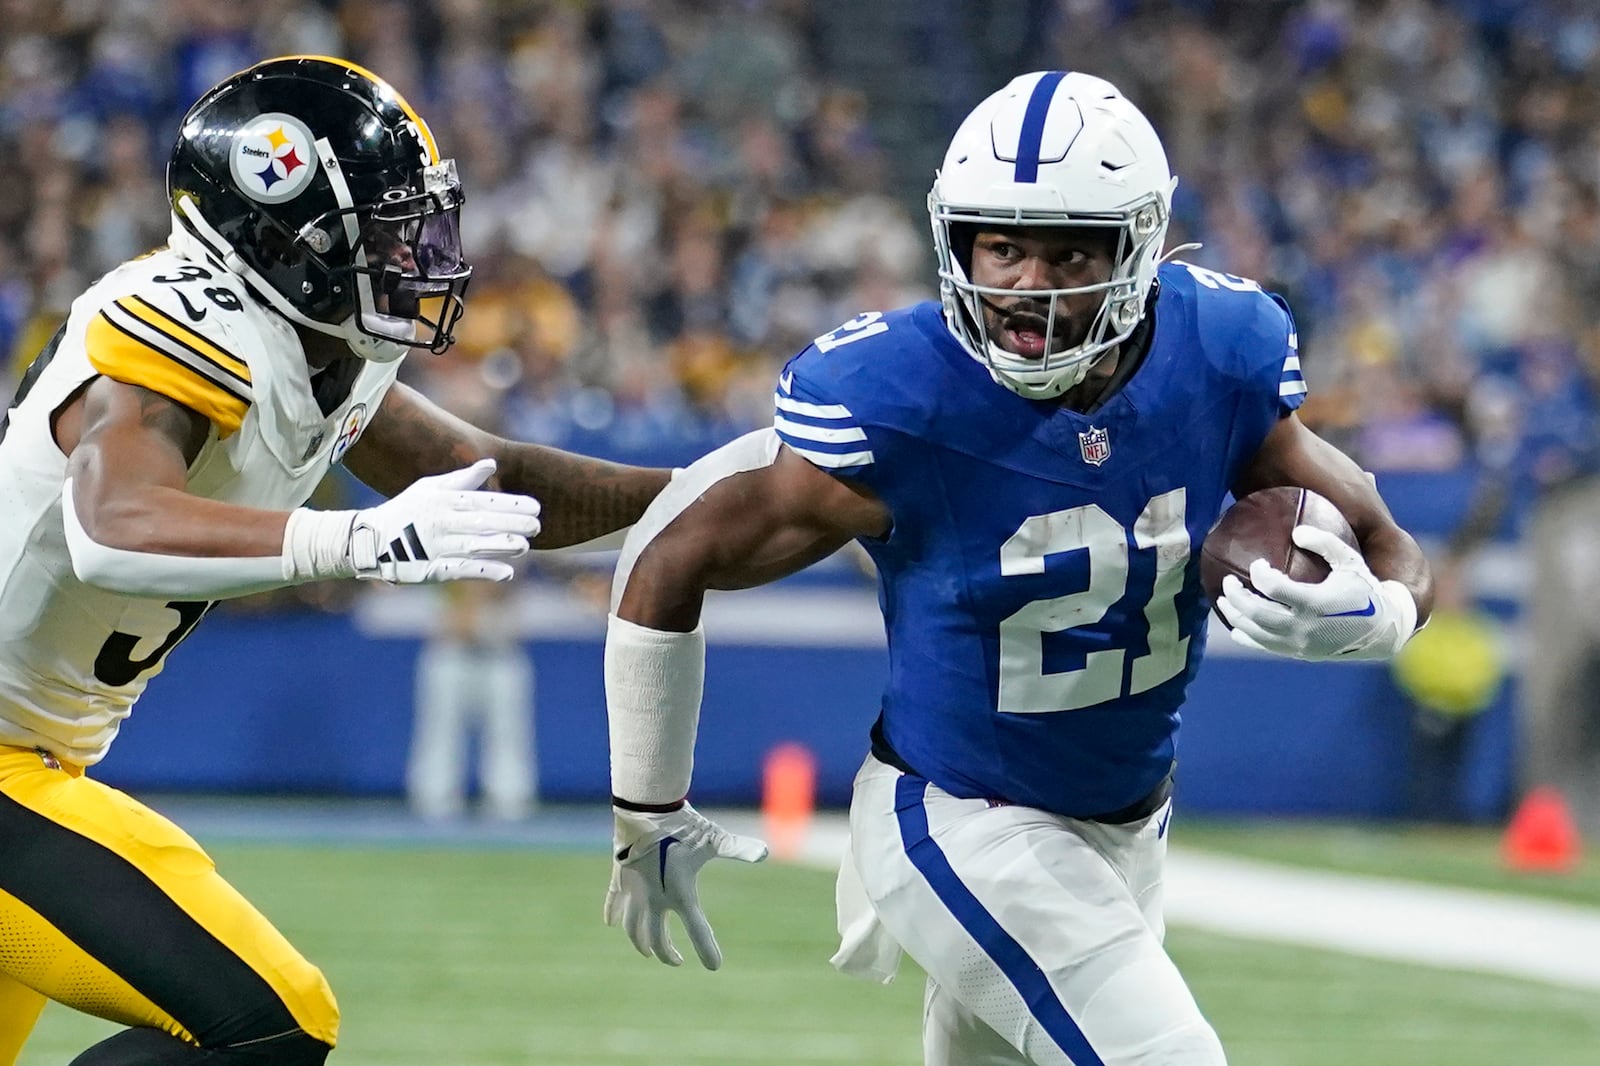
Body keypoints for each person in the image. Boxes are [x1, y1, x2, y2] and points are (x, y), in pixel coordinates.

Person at [600, 71, 1434, 1066]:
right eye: (1001, 245)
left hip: (1128, 828)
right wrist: (645, 806)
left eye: (1068, 250)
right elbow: (672, 552)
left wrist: (1381, 616)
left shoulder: (1221, 351)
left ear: (1138, 246)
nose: (1028, 282)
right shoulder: (898, 395)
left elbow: (1389, 544)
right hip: (957, 817)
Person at [0, 56, 670, 1066]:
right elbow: (114, 523)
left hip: (37, 760)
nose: (416, 253)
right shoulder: (185, 320)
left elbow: (501, 478)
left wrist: (728, 499)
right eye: (387, 231)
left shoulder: (317, 347)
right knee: (272, 1019)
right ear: (281, 237)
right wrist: (357, 537)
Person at [407, 580, 538, 821]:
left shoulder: (509, 545)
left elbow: (509, 580)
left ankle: (509, 800)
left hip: (501, 650)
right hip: (451, 649)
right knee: (440, 729)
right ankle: (434, 798)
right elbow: (454, 586)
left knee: (508, 732)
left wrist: (484, 587)